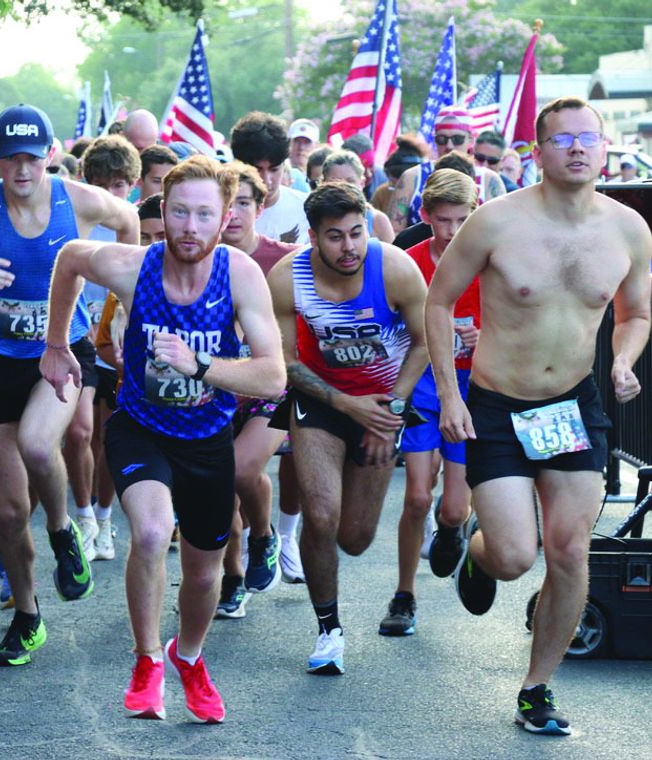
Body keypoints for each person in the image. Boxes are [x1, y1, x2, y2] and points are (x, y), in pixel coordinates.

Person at [426, 97, 651, 736]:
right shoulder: (495, 222)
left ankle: (536, 687)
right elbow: (438, 303)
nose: (578, 149)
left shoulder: (629, 229)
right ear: (539, 150)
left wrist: (624, 361)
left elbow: (636, 313)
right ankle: (478, 552)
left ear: (605, 148)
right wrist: (448, 395)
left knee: (570, 549)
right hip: (498, 406)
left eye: (590, 138)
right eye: (563, 139)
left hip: (573, 406)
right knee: (514, 556)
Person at [41, 155, 286, 722]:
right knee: (152, 533)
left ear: (225, 217)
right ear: (164, 213)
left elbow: (273, 375)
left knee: (204, 573)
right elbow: (71, 257)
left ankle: (189, 657)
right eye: (180, 212)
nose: (190, 227)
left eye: (204, 214)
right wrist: (57, 343)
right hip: (140, 429)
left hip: (207, 440)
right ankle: (148, 658)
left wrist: (200, 365)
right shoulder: (134, 267)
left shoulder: (240, 274)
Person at [0, 103, 138, 666]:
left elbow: (128, 220)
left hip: (64, 352)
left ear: (50, 156)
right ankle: (27, 615)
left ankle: (61, 529)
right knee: (5, 511)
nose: (22, 171)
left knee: (36, 443)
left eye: (33, 159)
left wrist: (117, 303)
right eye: (11, 159)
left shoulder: (75, 200)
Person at [266, 182, 429, 675]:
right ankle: (328, 630)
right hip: (320, 400)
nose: (349, 247)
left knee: (354, 537)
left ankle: (330, 579)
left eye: (356, 233)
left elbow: (423, 343)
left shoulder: (396, 268)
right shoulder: (286, 277)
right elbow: (283, 361)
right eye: (335, 237)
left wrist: (391, 412)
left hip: (383, 403)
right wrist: (343, 403)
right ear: (313, 237)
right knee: (320, 514)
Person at [379, 168, 479, 637]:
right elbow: (388, 326)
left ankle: (455, 529)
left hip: (469, 386)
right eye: (444, 220)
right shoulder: (408, 262)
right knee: (418, 494)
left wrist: (483, 334)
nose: (453, 231)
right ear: (426, 216)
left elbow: (514, 320)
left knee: (453, 509)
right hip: (421, 384)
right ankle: (403, 595)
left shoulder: (488, 263)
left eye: (463, 220)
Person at [213, 162, 300, 619]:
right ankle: (232, 576)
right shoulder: (194, 257)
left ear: (260, 205)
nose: (233, 214)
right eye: (225, 205)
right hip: (213, 388)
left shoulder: (286, 259)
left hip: (272, 388)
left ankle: (263, 536)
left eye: (243, 203)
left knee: (242, 468)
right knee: (216, 486)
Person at [75, 134, 142, 559]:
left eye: (119, 185)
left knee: (111, 440)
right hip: (82, 344)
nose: (111, 193)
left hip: (123, 350)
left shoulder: (137, 225)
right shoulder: (79, 226)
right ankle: (86, 516)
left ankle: (103, 517)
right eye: (102, 184)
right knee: (85, 434)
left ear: (131, 186)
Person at [389, 107, 505, 232]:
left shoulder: (488, 180)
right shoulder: (412, 178)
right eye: (442, 139)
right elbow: (394, 232)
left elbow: (503, 232)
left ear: (471, 139)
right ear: (434, 139)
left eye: (457, 139)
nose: (449, 146)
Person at [230, 112, 309, 245]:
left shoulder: (306, 208)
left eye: (274, 169)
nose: (266, 180)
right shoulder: (223, 211)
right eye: (258, 170)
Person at [320, 150, 395, 243]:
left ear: (362, 183)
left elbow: (394, 256)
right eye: (336, 182)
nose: (344, 187)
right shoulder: (313, 217)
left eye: (350, 181)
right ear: (323, 183)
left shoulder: (378, 220)